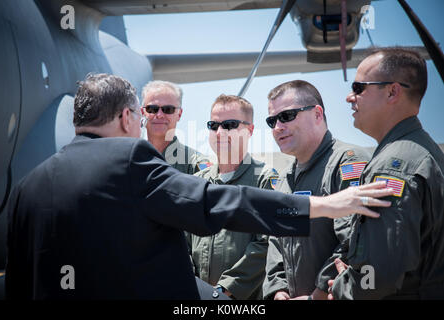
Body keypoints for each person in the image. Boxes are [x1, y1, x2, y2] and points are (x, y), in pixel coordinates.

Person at [5, 73, 392, 300]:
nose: (146, 124)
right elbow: (216, 202)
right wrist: (321, 206)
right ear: (126, 117)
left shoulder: (28, 187)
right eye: (142, 115)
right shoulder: (129, 160)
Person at [327, 48, 444, 299]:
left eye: (359, 88)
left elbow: (379, 276)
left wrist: (342, 287)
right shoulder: (423, 152)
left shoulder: (393, 165)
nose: (350, 97)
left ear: (392, 91)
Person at [262, 80, 371, 300]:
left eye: (286, 116)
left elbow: (355, 239)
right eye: (272, 121)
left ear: (317, 114)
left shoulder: (348, 163)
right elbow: (276, 241)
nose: (277, 128)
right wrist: (278, 289)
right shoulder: (285, 178)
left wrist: (318, 294)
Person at [187, 94, 278, 300]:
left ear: (250, 130)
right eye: (213, 125)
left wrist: (224, 292)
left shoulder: (265, 180)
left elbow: (266, 244)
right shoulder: (196, 184)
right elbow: (181, 242)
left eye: (229, 125)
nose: (219, 132)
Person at [141, 80, 210, 174]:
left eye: (168, 109)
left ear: (179, 114)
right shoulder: (129, 160)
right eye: (152, 109)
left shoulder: (197, 165)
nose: (159, 115)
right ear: (142, 112)